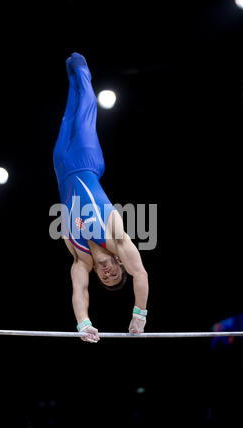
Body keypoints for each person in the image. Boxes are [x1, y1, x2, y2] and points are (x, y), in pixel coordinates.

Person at [53, 53, 149, 343]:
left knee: (69, 113)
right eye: (114, 273)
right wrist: (139, 314)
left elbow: (79, 291)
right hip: (87, 160)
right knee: (87, 106)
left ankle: (71, 73)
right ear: (120, 264)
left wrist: (83, 323)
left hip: (60, 167)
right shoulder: (116, 238)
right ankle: (82, 68)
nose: (107, 272)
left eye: (105, 277)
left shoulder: (80, 258)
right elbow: (141, 274)